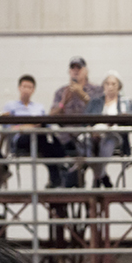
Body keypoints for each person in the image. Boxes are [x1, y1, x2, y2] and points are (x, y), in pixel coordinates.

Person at [2, 75, 66, 188]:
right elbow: (8, 128)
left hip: (39, 137)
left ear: (33, 90)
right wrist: (30, 126)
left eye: (29, 87)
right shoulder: (11, 106)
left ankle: (57, 175)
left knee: (47, 144)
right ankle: (63, 160)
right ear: (19, 88)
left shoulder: (38, 107)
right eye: (24, 86)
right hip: (21, 139)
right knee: (45, 142)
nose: (26, 90)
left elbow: (48, 127)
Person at [50, 56, 104, 187]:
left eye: (79, 68)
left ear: (86, 71)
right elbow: (51, 115)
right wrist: (63, 103)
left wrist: (83, 96)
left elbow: (100, 111)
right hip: (66, 138)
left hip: (88, 136)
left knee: (89, 147)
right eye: (72, 68)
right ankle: (62, 181)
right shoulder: (61, 91)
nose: (75, 71)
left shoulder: (97, 90)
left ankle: (80, 180)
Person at [84, 71, 132, 187]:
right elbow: (85, 119)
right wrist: (91, 129)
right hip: (95, 134)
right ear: (104, 86)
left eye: (114, 84)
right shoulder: (95, 102)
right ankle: (103, 177)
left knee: (107, 142)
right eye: (108, 84)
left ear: (119, 87)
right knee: (87, 146)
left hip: (114, 135)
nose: (110, 87)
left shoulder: (125, 102)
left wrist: (125, 116)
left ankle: (98, 177)